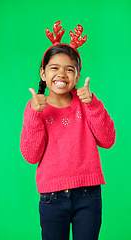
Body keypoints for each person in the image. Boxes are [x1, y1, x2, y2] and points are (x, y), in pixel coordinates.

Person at [20, 21, 116, 240]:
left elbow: (108, 140)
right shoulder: (35, 107)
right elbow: (30, 155)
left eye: (69, 69)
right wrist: (35, 114)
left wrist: (93, 104)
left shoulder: (87, 102)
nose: (61, 73)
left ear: (77, 76)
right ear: (43, 73)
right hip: (52, 198)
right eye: (54, 67)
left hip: (88, 194)